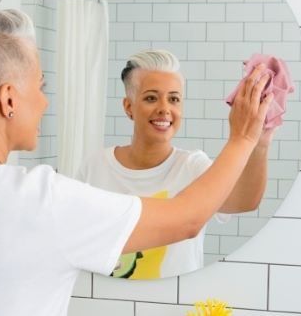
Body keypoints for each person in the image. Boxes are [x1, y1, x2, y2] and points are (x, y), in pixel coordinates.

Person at [0, 7, 273, 316]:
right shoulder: (41, 200)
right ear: (9, 100)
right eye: (39, 85)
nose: (45, 100)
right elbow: (188, 219)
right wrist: (245, 134)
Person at [74, 50, 273, 279]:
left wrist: (260, 143)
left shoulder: (193, 167)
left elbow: (244, 201)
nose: (164, 108)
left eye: (174, 99)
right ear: (128, 107)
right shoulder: (95, 166)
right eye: (151, 98)